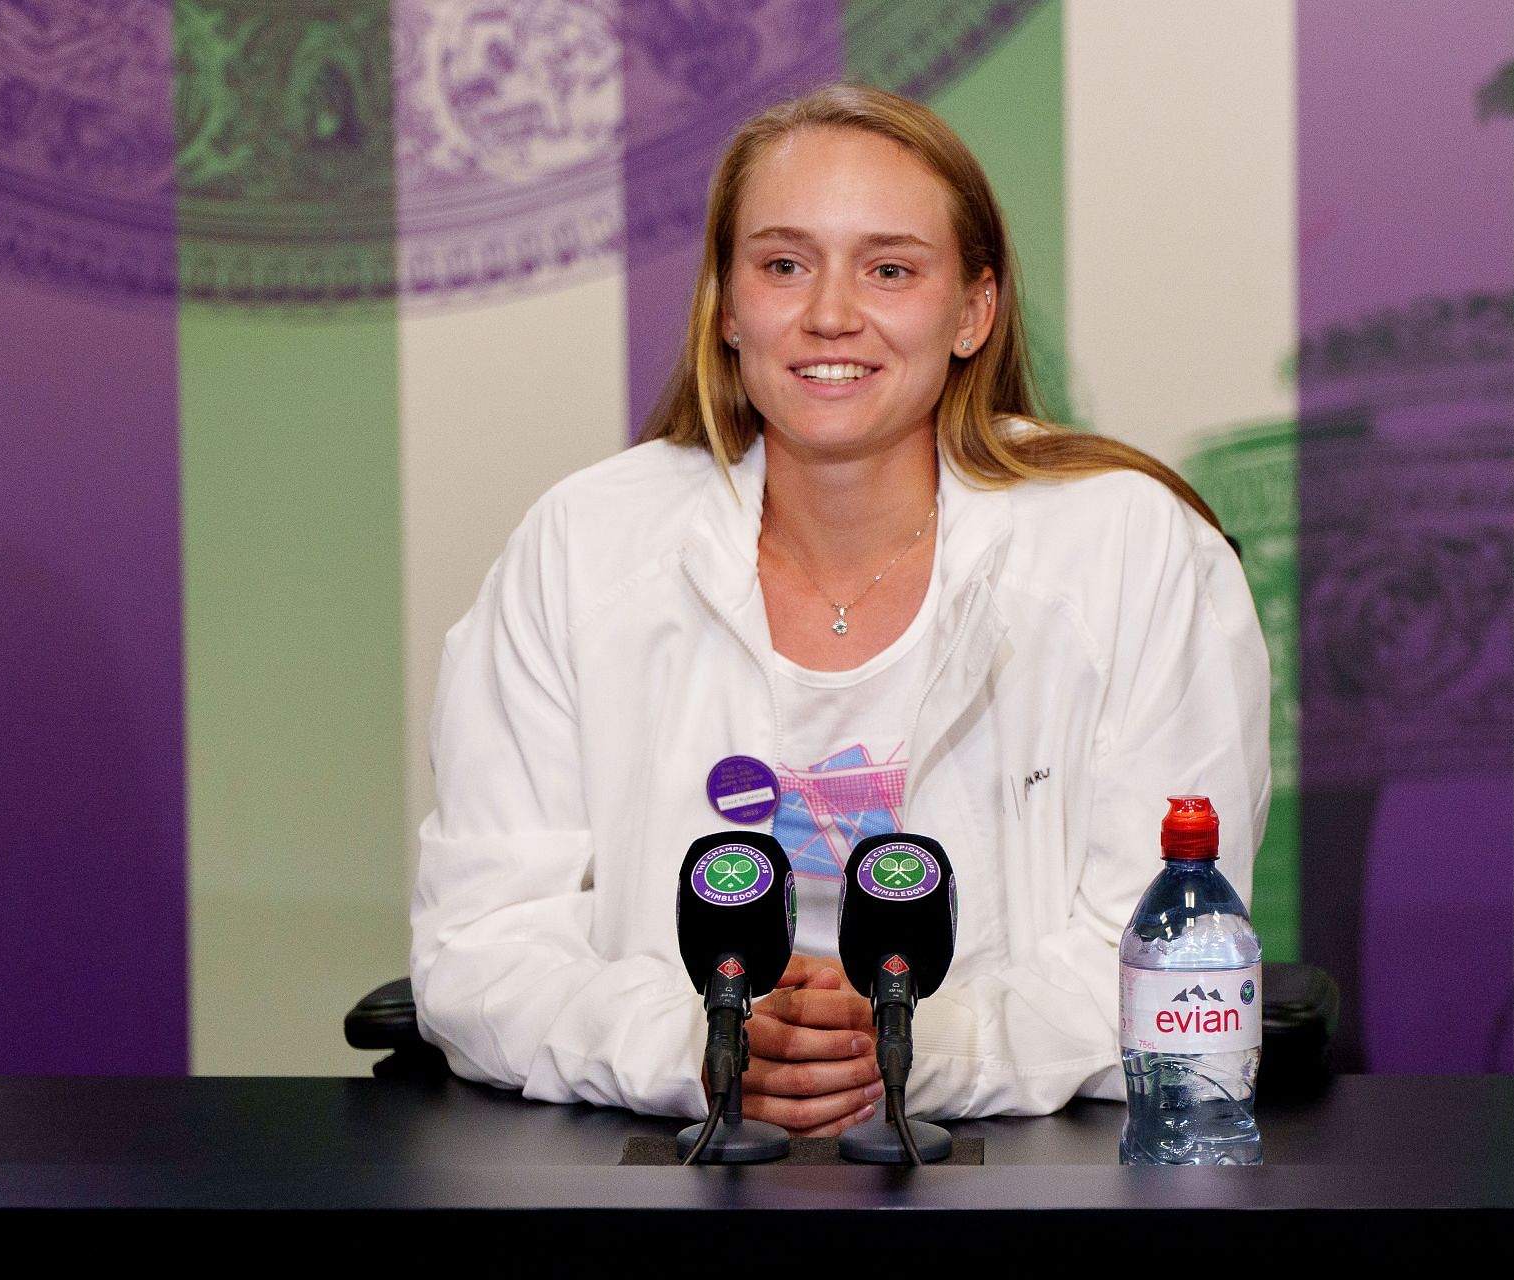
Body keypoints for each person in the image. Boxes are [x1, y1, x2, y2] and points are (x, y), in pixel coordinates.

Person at [411, 84, 1269, 1135]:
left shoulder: (1135, 551)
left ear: (973, 311)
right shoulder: (578, 546)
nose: (829, 313)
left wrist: (914, 1047)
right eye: (782, 264)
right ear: (728, 306)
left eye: (891, 269)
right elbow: (480, 947)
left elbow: (1159, 951)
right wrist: (706, 1044)